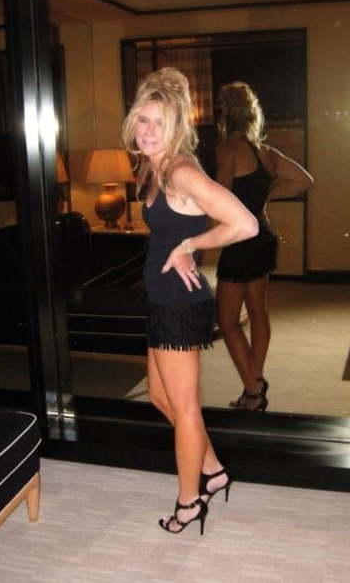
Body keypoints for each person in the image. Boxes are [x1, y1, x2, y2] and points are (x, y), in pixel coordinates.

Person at [122, 68, 258, 535]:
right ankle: (214, 471)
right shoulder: (156, 166)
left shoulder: (180, 170)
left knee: (184, 410)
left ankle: (189, 501)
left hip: (179, 305)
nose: (148, 131)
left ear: (177, 125)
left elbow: (244, 224)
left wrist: (191, 245)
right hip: (163, 299)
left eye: (159, 123)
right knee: (161, 396)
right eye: (143, 120)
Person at [215, 82, 314, 413]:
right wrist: (267, 194)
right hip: (263, 235)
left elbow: (220, 199)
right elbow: (305, 180)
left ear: (224, 113)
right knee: (258, 311)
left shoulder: (228, 149)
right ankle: (254, 382)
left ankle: (253, 390)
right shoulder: (265, 151)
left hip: (241, 239)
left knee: (227, 320)